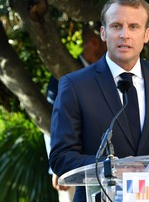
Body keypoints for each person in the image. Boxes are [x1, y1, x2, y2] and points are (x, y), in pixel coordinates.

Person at [49, 0, 149, 202]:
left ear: (146, 35)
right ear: (103, 33)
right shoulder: (75, 85)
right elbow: (61, 158)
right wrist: (111, 167)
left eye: (133, 27)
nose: (124, 35)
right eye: (116, 26)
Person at [44, 22, 107, 202]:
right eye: (105, 41)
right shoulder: (62, 78)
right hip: (70, 167)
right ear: (95, 42)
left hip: (106, 168)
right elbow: (52, 121)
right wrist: (56, 167)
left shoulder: (107, 75)